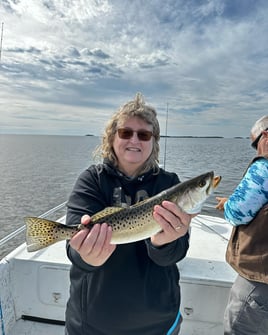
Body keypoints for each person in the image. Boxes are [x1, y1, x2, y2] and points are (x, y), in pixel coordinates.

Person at [65, 93, 192, 335]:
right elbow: (74, 251)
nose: (134, 139)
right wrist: (87, 255)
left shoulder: (170, 184)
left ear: (153, 142)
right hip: (93, 323)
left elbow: (176, 253)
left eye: (144, 134)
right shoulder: (92, 180)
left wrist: (165, 244)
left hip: (159, 322)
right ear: (112, 138)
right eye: (125, 132)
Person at [216, 115, 268, 335]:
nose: (256, 151)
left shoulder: (264, 168)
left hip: (259, 280)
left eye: (255, 144)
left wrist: (228, 205)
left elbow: (237, 213)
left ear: (265, 136)